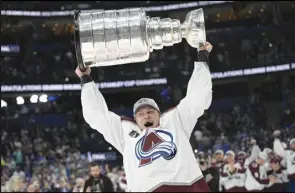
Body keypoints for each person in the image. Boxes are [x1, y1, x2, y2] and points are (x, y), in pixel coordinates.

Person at [75, 42, 213, 192]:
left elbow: (197, 97)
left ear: (159, 114)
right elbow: (96, 115)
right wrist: (86, 79)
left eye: (150, 112)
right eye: (141, 114)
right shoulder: (125, 134)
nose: (146, 115)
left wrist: (202, 57)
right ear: (135, 119)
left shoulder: (175, 120)